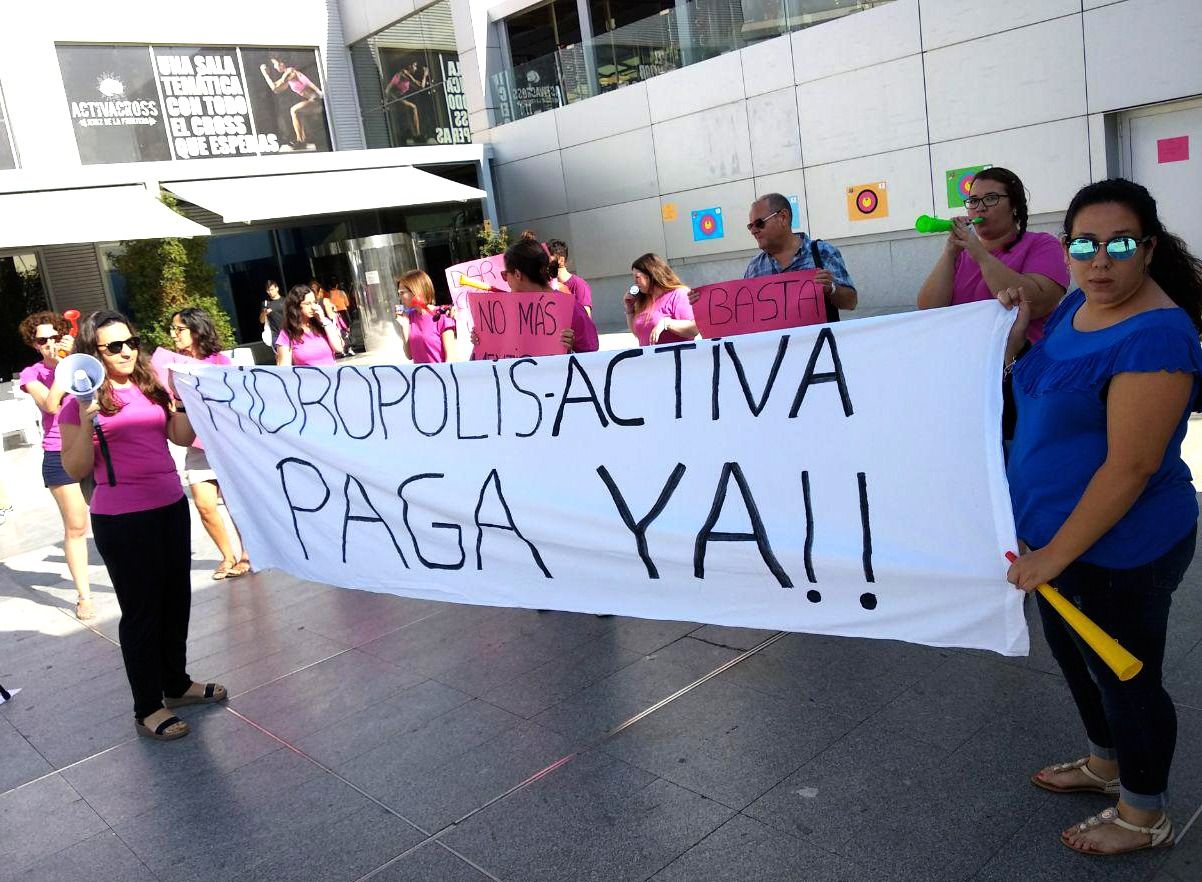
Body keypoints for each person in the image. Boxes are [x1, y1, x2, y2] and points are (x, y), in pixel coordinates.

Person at [1002, 178, 1202, 856]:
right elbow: (1038, 375)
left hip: (1121, 547)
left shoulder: (1158, 337)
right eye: (1084, 244)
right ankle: (1104, 764)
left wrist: (1055, 554)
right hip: (1051, 538)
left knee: (1127, 676)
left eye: (1119, 244)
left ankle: (1145, 815)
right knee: (1076, 659)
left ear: (1146, 248)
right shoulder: (1076, 306)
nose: (1100, 260)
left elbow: (1131, 468)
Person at [59, 310, 227, 742]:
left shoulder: (147, 384)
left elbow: (181, 436)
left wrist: (185, 398)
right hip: (123, 519)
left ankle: (176, 684)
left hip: (169, 504)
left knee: (177, 600)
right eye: (114, 346)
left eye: (131, 341)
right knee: (142, 612)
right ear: (92, 353)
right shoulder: (78, 400)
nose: (127, 351)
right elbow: (76, 467)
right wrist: (84, 413)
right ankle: (147, 706)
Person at [919, 167, 1069, 340]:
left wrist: (981, 256)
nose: (980, 208)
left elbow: (1038, 304)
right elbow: (928, 311)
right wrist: (950, 252)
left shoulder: (1042, 244)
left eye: (991, 198)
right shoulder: (959, 254)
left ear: (1013, 206)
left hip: (1022, 362)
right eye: (973, 201)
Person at [18, 312, 94, 619]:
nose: (50, 344)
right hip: (59, 451)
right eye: (42, 340)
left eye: (55, 337)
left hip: (96, 444)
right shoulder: (31, 374)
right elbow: (50, 404)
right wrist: (66, 367)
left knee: (116, 515)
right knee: (77, 526)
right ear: (34, 345)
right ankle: (84, 595)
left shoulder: (82, 358)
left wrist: (78, 355)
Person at [169, 308, 250, 580]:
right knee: (204, 505)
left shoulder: (218, 362)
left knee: (235, 502)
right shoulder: (174, 365)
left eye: (179, 329)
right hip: (196, 444)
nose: (174, 334)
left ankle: (247, 554)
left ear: (195, 330)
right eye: (174, 329)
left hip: (225, 443)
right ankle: (227, 556)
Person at [734, 192, 856, 321]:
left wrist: (831, 289)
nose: (753, 231)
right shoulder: (754, 267)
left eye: (759, 223)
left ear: (783, 217)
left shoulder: (822, 252)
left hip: (818, 340)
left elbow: (851, 302)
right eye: (750, 226)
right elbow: (746, 315)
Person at [469, 238, 598, 357]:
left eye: (505, 275)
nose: (506, 282)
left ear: (518, 275)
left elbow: (593, 360)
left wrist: (570, 350)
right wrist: (481, 342)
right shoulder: (502, 313)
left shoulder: (569, 309)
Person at [624, 253, 698, 346]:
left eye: (637, 277)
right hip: (651, 359)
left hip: (675, 357)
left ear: (651, 275)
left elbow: (693, 330)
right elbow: (639, 334)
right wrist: (629, 309)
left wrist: (666, 323)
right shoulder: (644, 300)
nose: (635, 282)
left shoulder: (679, 294)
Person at [259, 56, 324, 150]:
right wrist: (266, 75)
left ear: (282, 64)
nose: (274, 67)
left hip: (318, 99)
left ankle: (301, 141)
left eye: (275, 64)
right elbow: (276, 89)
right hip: (314, 100)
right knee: (297, 112)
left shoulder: (290, 71)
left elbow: (275, 87)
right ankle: (302, 140)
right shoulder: (289, 77)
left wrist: (265, 73)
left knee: (294, 110)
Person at [395, 269, 456, 363]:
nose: (400, 298)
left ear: (415, 290)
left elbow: (451, 358)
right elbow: (409, 355)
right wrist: (404, 326)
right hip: (420, 376)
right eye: (399, 294)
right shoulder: (409, 317)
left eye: (402, 293)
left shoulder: (442, 315)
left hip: (441, 375)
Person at [276, 285, 343, 367]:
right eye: (307, 304)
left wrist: (323, 320)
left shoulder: (323, 324)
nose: (313, 307)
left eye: (314, 302)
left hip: (332, 377)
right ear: (296, 306)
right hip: (308, 378)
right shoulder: (288, 333)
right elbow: (285, 368)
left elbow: (339, 348)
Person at [384, 59, 429, 141]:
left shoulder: (407, 78)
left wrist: (424, 77)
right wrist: (425, 75)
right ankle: (417, 135)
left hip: (396, 97)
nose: (415, 68)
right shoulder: (404, 73)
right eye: (414, 66)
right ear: (409, 66)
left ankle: (410, 133)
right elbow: (420, 86)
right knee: (413, 108)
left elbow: (420, 86)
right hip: (391, 96)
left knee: (409, 109)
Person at [547, 239, 592, 317]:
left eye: (547, 258)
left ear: (561, 260)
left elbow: (585, 318)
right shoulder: (546, 285)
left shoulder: (579, 284)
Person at [260, 280, 285, 348]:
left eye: (272, 289)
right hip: (276, 335)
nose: (270, 292)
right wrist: (264, 313)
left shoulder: (285, 301)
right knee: (280, 356)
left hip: (287, 332)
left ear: (277, 288)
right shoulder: (266, 303)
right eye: (268, 290)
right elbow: (262, 321)